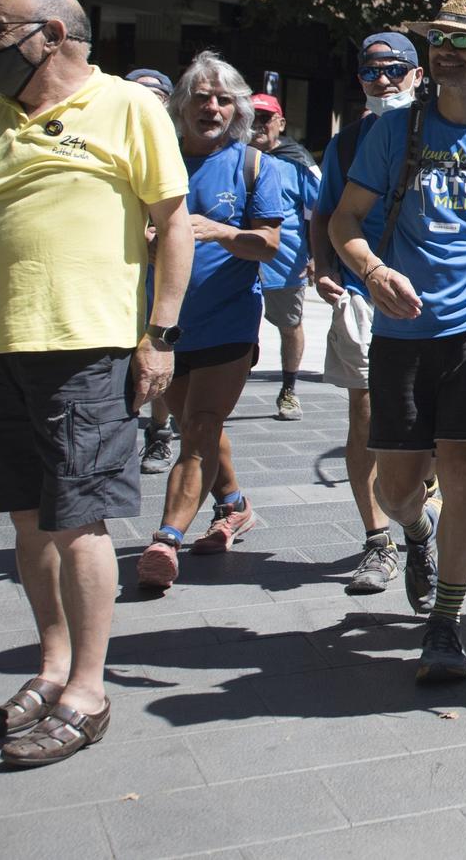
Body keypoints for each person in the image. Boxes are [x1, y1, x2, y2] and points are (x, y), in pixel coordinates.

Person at [0, 0, 191, 766]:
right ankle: (48, 667)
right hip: (5, 352)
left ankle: (89, 686)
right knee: (26, 518)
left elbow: (172, 222)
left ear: (52, 34)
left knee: (80, 519)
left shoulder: (127, 107)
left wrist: (160, 337)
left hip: (90, 347)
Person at [329, 0, 466, 683]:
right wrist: (371, 268)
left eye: (464, 39)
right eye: (439, 37)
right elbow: (345, 220)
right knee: (396, 487)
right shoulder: (392, 133)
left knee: (464, 469)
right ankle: (416, 534)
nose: (445, 49)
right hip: (401, 328)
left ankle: (446, 622)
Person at [135, 52, 288, 595]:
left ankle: (165, 540)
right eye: (201, 97)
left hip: (229, 321)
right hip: (167, 325)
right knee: (197, 425)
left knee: (197, 430)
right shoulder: (156, 159)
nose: (212, 107)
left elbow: (269, 245)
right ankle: (234, 506)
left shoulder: (253, 165)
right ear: (182, 105)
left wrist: (218, 232)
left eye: (224, 99)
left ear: (238, 109)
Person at [310, 32, 425, 596]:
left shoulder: (443, 131)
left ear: (418, 75)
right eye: (371, 71)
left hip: (438, 299)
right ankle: (378, 542)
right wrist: (323, 264)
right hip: (364, 293)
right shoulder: (349, 143)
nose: (383, 80)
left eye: (395, 70)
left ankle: (419, 517)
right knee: (366, 412)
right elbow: (328, 210)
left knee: (433, 426)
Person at [250, 91, 322, 420]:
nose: (257, 126)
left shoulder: (298, 162)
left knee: (289, 325)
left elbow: (319, 211)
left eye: (264, 118)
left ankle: (289, 389)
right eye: (250, 118)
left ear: (280, 122)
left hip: (285, 258)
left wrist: (316, 255)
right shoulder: (233, 156)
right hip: (238, 258)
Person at [127, 67, 181, 475]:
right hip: (119, 278)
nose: (146, 101)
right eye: (136, 93)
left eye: (155, 95)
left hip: (165, 279)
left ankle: (159, 435)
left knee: (159, 349)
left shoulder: (178, 148)